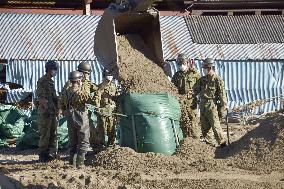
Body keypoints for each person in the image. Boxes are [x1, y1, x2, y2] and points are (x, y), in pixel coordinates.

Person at [192, 58, 227, 147]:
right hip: (202, 105)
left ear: (210, 68)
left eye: (204, 68)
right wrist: (185, 97)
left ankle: (223, 144)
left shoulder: (217, 80)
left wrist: (224, 107)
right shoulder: (202, 79)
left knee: (215, 125)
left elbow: (222, 95)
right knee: (204, 127)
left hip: (212, 105)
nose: (203, 70)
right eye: (203, 68)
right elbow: (194, 90)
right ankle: (210, 145)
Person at [60, 71, 91, 168]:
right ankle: (80, 163)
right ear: (79, 81)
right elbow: (87, 97)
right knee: (83, 140)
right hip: (80, 116)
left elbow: (61, 103)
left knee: (73, 141)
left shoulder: (66, 92)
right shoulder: (80, 92)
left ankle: (71, 162)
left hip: (70, 117)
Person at [171, 53, 200, 138]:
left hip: (192, 103)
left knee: (194, 122)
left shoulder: (194, 74)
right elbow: (172, 88)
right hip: (181, 103)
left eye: (182, 63)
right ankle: (186, 139)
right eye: (179, 64)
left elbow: (201, 85)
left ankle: (196, 140)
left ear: (186, 63)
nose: (181, 66)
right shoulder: (177, 75)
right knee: (183, 122)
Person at [36, 60, 59, 162]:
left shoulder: (51, 82)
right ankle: (42, 155)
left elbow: (54, 98)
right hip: (46, 112)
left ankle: (49, 154)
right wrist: (46, 110)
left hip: (52, 112)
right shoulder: (42, 81)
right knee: (45, 133)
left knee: (52, 133)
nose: (55, 72)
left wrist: (57, 109)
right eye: (54, 70)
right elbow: (41, 98)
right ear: (50, 69)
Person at [97, 69, 120, 147]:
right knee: (102, 130)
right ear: (104, 75)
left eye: (110, 75)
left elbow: (117, 97)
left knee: (112, 129)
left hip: (112, 111)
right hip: (102, 111)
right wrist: (98, 108)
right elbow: (96, 98)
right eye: (108, 75)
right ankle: (101, 145)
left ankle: (111, 144)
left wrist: (116, 106)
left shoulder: (114, 86)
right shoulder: (100, 86)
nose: (109, 77)